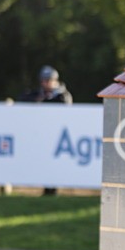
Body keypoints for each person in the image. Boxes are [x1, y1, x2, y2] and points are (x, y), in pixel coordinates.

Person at [17, 66, 72, 195]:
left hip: (59, 136)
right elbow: (23, 99)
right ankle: (47, 189)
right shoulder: (39, 94)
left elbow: (64, 107)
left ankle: (52, 190)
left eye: (48, 80)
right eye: (43, 80)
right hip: (42, 135)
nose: (45, 83)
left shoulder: (63, 96)